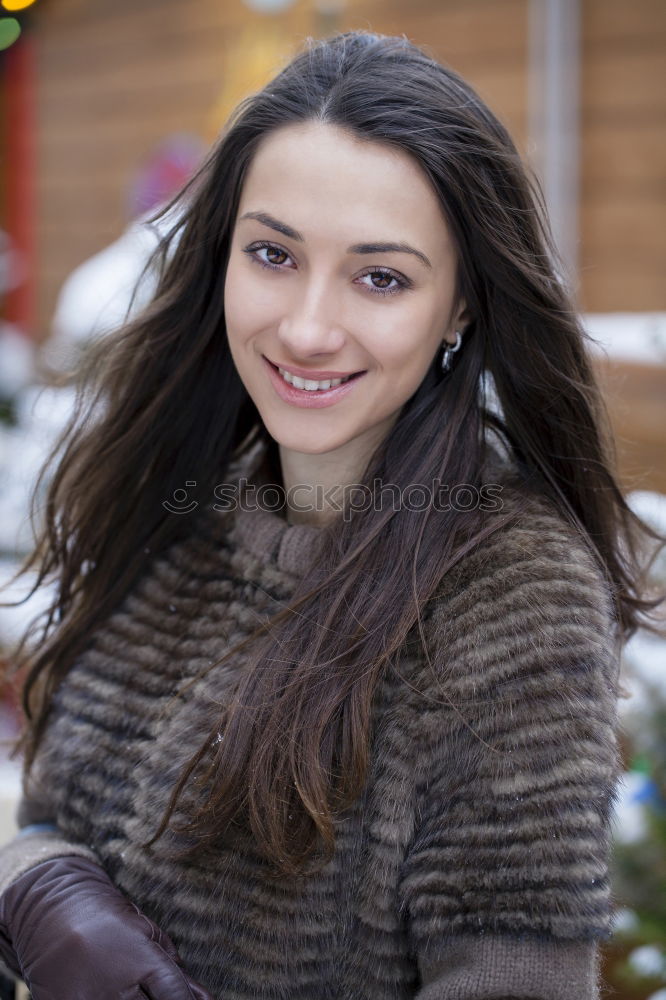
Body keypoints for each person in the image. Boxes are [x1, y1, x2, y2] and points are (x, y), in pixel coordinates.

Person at [0, 29, 663, 1000]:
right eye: (273, 254)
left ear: (461, 307)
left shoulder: (511, 596)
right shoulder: (171, 501)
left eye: (381, 276)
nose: (307, 327)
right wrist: (41, 886)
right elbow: (57, 817)